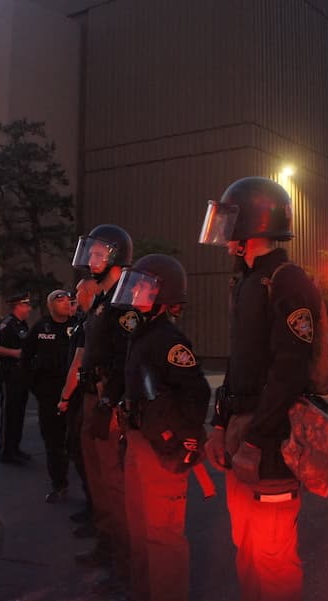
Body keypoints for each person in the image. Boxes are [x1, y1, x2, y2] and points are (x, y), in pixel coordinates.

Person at [198, 176, 322, 601]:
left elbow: (290, 372)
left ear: (253, 224)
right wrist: (219, 425)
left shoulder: (286, 281)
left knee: (273, 558)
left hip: (272, 445)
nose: (224, 231)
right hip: (243, 435)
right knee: (246, 547)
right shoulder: (246, 281)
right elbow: (240, 364)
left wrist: (256, 437)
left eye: (231, 219)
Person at [111, 254, 211, 601]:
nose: (134, 290)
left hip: (158, 447)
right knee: (139, 531)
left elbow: (196, 395)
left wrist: (178, 440)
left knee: (163, 536)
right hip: (138, 440)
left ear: (161, 294)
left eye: (141, 285)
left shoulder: (170, 341)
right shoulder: (142, 333)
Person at [69, 223, 135, 593]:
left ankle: (125, 565)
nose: (90, 259)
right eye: (90, 252)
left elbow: (128, 359)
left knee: (113, 483)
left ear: (114, 257)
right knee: (97, 479)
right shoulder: (99, 303)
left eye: (97, 253)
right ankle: (106, 547)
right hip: (92, 397)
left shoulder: (123, 304)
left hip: (109, 401)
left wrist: (110, 401)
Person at [21, 289, 74, 501]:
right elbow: (26, 357)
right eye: (60, 301)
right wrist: (35, 386)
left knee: (77, 442)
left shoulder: (78, 325)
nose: (65, 304)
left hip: (74, 393)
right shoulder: (41, 327)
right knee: (53, 441)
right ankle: (59, 484)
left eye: (68, 301)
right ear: (50, 305)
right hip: (49, 394)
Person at [59, 277, 101, 534]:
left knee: (85, 454)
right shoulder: (84, 323)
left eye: (79, 291)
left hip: (82, 396)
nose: (75, 296)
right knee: (81, 453)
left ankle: (97, 512)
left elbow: (78, 364)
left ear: (90, 292)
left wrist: (64, 397)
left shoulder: (89, 324)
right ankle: (92, 507)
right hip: (82, 396)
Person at [0, 292, 33, 463]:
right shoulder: (6, 324)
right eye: (27, 305)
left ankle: (15, 447)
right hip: (9, 374)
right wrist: (15, 353)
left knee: (19, 413)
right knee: (9, 413)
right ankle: (7, 451)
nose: (29, 308)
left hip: (22, 374)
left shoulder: (22, 325)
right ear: (18, 306)